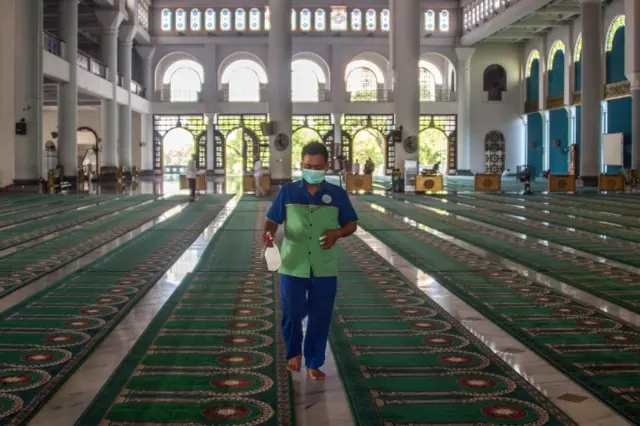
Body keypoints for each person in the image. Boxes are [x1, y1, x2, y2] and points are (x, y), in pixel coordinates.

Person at [263, 142, 358, 381]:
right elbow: (272, 220)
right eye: (307, 166)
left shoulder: (337, 195)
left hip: (324, 265)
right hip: (292, 262)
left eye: (316, 166)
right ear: (301, 165)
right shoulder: (288, 192)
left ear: (326, 166)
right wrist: (268, 235)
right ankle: (294, 351)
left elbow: (351, 224)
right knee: (291, 311)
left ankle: (314, 362)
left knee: (320, 314)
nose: (311, 170)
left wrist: (337, 233)